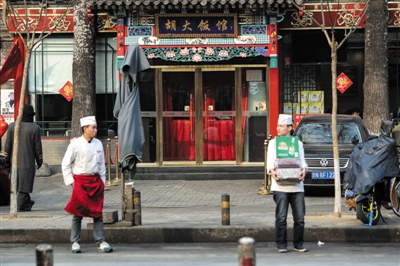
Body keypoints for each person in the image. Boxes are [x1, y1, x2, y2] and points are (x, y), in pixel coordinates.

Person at [62, 116, 113, 254]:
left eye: (95, 127)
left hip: (95, 182)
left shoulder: (98, 144)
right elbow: (65, 164)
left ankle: (100, 241)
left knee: (97, 213)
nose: (95, 130)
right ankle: (75, 241)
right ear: (85, 129)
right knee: (77, 212)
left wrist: (102, 181)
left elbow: (101, 165)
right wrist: (72, 183)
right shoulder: (75, 144)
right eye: (93, 128)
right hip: (79, 181)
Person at [267, 114, 308, 253]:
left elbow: (303, 162)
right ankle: (281, 245)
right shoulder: (273, 143)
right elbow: (270, 161)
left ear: (290, 128)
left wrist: (304, 170)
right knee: (281, 218)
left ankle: (299, 244)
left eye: (281, 126)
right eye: (278, 126)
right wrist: (271, 171)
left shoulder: (298, 144)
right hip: (280, 186)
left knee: (300, 218)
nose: (278, 128)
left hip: (297, 186)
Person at [4, 104, 43, 211]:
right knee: (24, 186)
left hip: (14, 161)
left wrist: (6, 160)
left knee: (18, 184)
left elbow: (7, 146)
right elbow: (38, 148)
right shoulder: (35, 128)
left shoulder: (12, 126)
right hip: (28, 162)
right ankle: (22, 204)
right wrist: (40, 160)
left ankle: (27, 201)